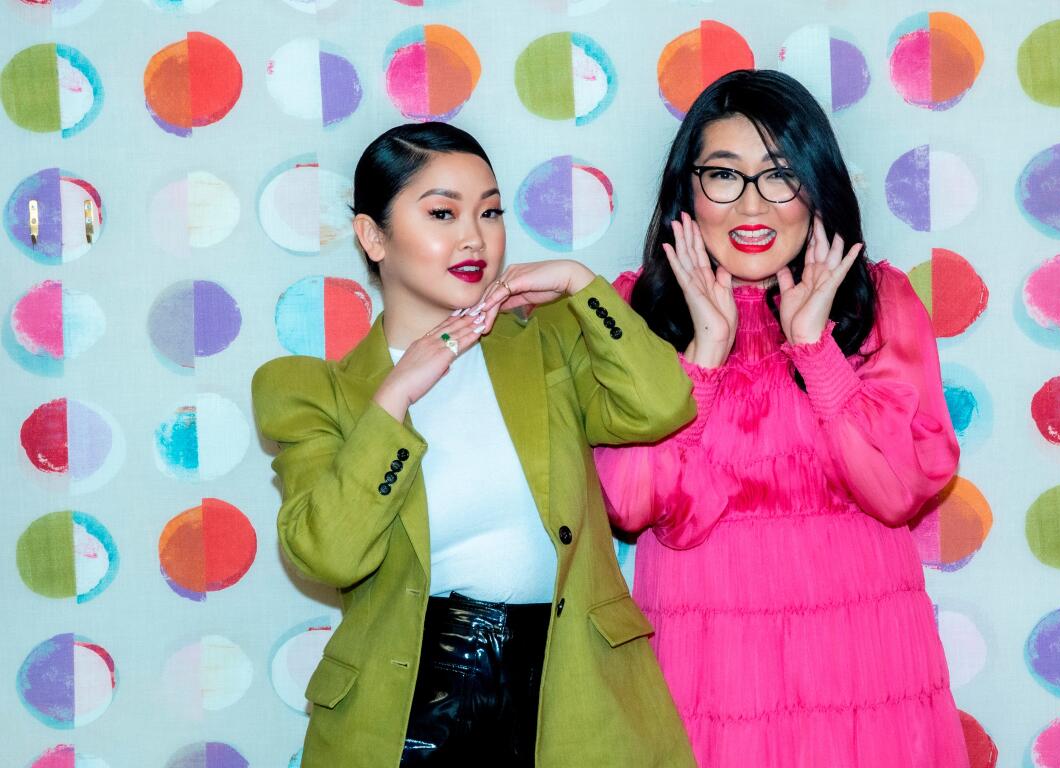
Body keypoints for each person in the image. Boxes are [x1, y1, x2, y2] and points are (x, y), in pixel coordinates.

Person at [252, 122, 698, 768]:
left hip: (569, 689)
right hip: (412, 703)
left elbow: (662, 405)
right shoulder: (314, 392)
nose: (474, 237)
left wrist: (581, 283)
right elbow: (328, 554)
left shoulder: (546, 340)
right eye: (442, 212)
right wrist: (394, 398)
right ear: (373, 237)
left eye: (490, 212)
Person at [594, 69, 969, 767]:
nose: (751, 205)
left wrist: (814, 350)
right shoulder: (635, 313)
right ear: (688, 192)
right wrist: (702, 358)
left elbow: (900, 490)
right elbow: (631, 501)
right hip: (708, 670)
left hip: (865, 666)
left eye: (779, 175)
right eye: (724, 176)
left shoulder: (880, 302)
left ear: (817, 188)